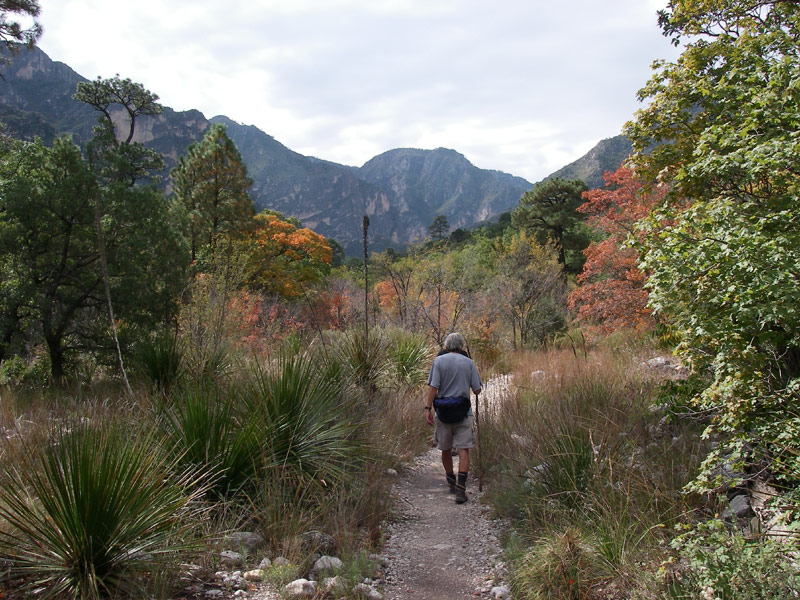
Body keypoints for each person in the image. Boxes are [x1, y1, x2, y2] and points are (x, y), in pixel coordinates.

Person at [425, 332, 482, 504]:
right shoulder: (469, 363)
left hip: (443, 412)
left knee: (445, 448)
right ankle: (461, 489)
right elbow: (477, 389)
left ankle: (451, 482)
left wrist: (428, 408)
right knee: (464, 448)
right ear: (461, 346)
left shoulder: (439, 362)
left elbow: (433, 387)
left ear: (447, 346)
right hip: (463, 411)